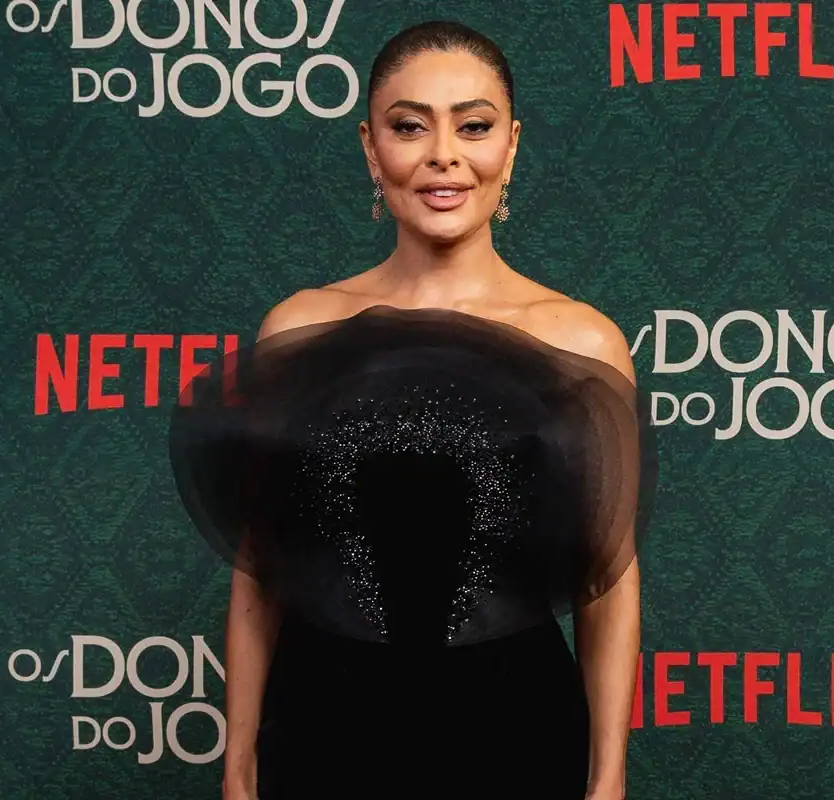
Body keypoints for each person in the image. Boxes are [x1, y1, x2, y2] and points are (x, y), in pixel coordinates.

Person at [170, 20, 654, 800]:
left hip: (518, 735)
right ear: (371, 148)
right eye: (409, 127)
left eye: (474, 126)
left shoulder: (580, 339)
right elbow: (260, 575)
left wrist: (607, 783)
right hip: (323, 734)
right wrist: (238, 772)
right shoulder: (300, 328)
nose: (443, 155)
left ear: (512, 147)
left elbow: (609, 583)